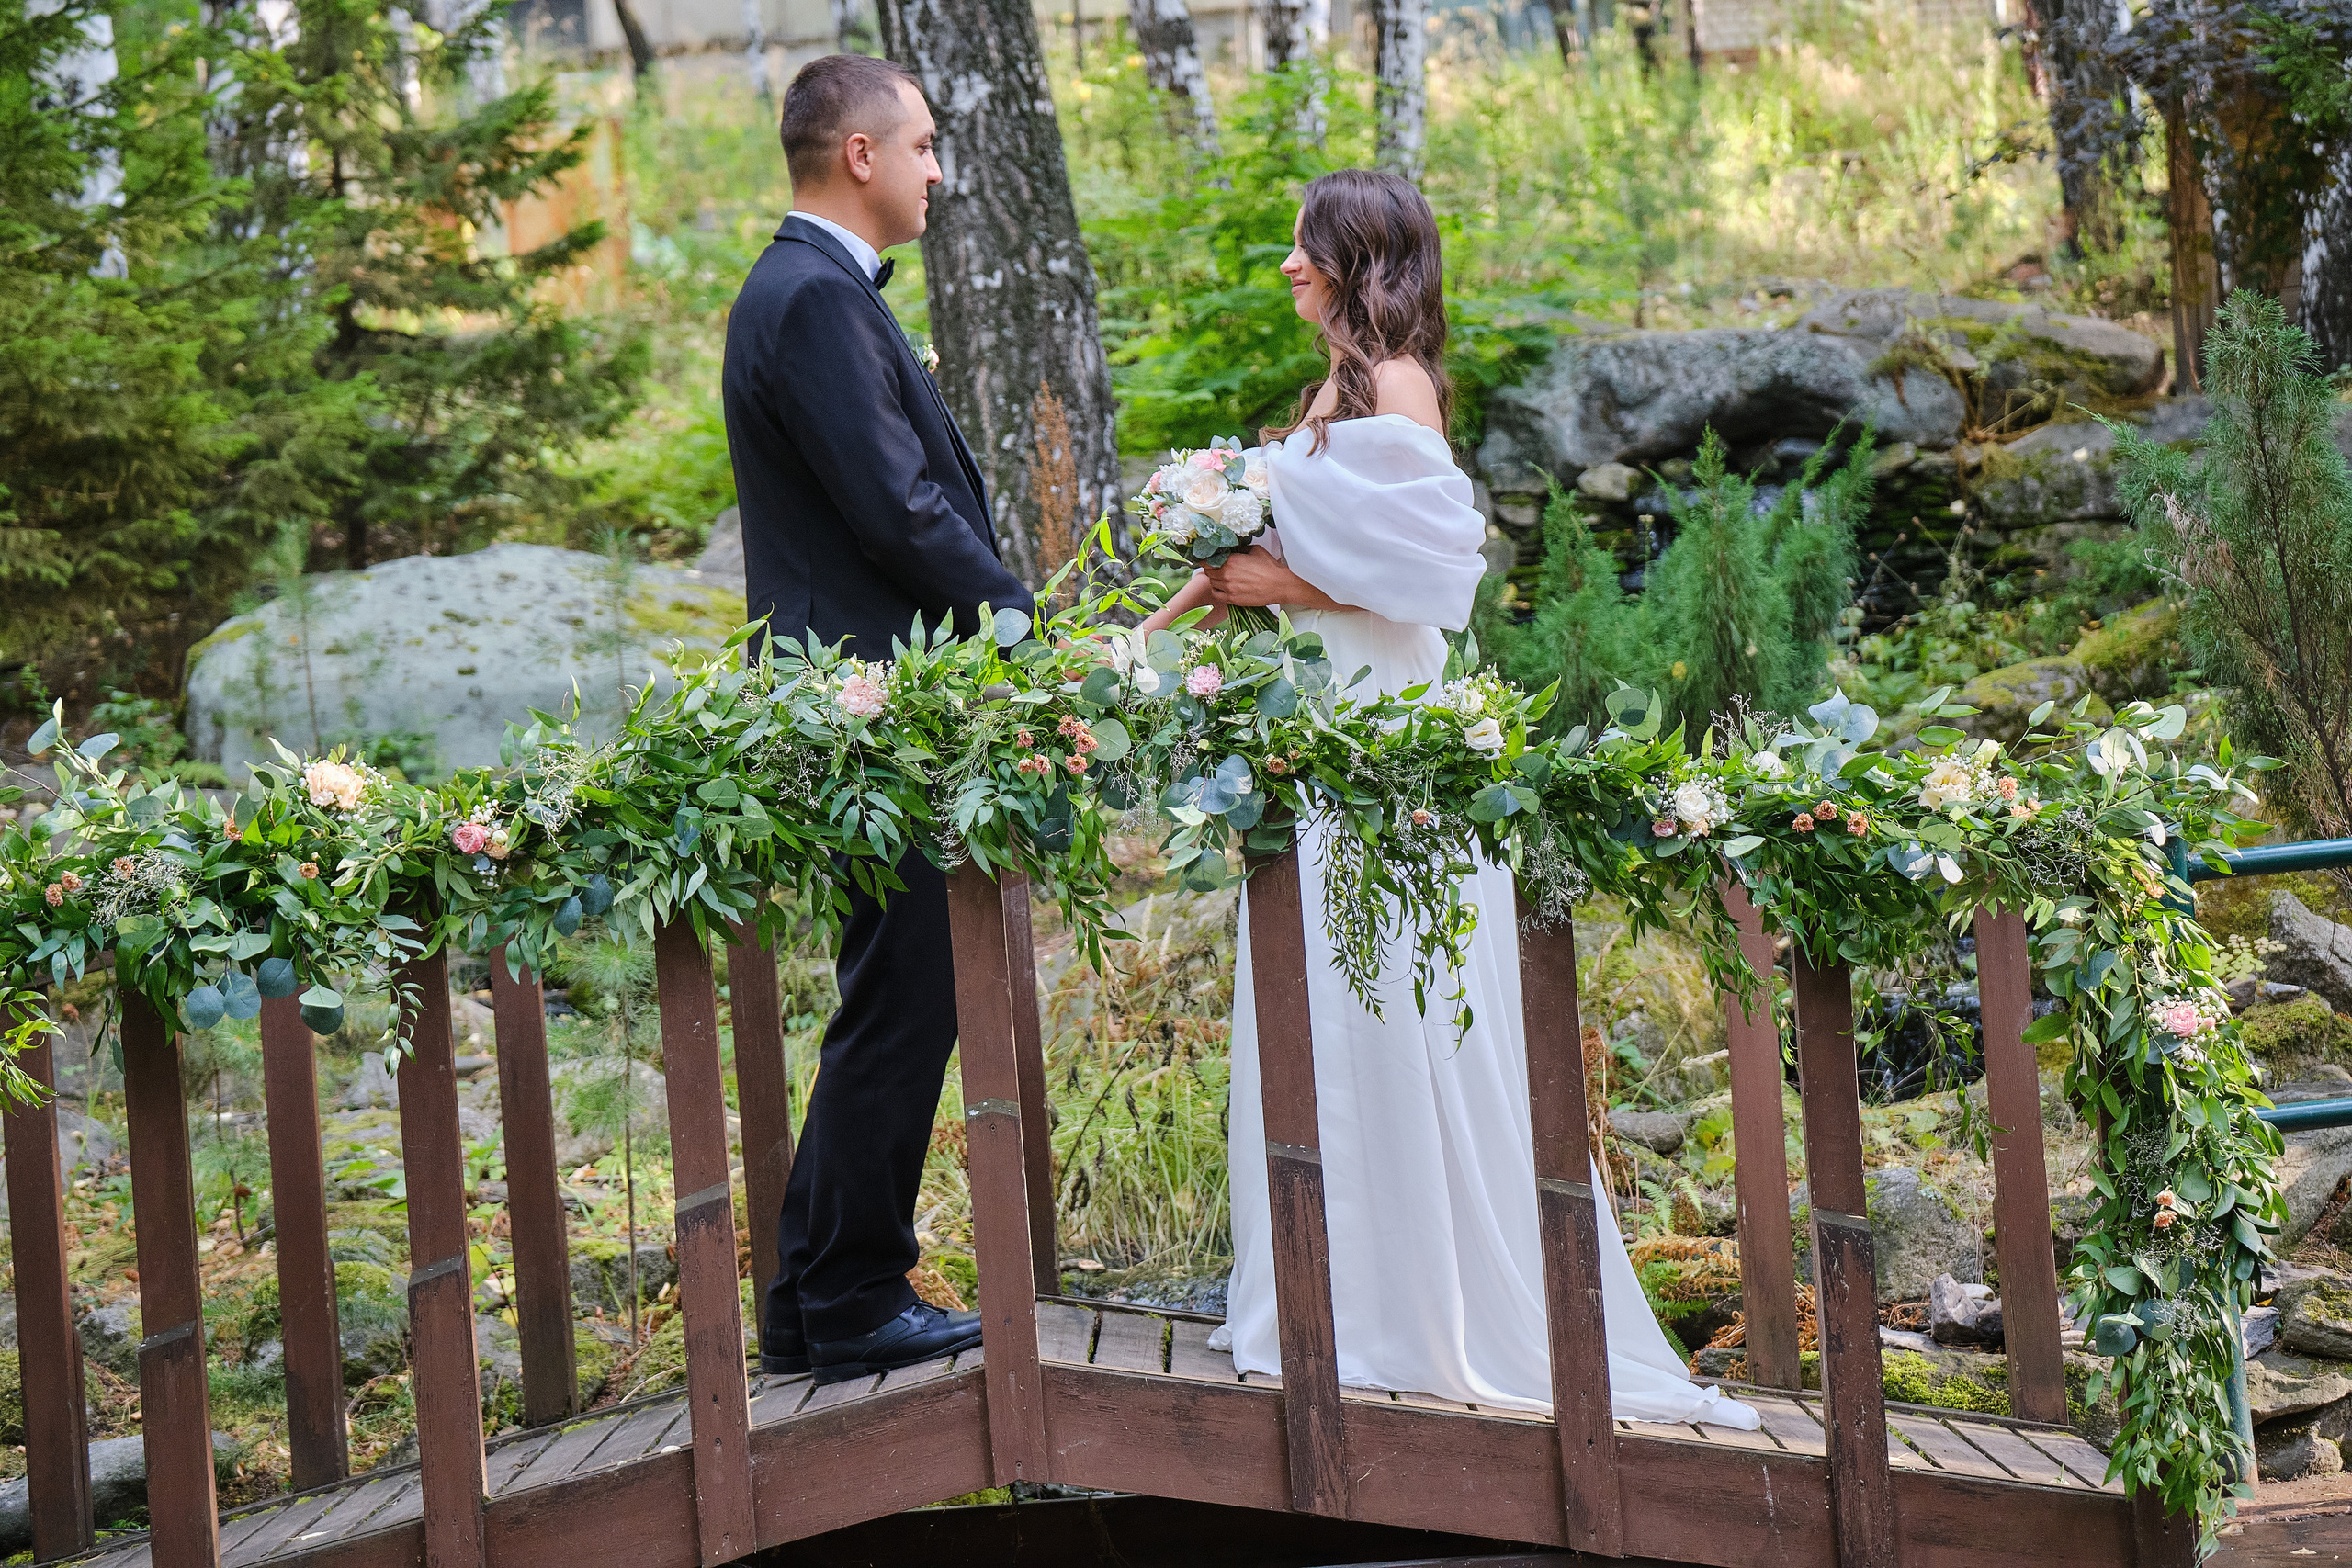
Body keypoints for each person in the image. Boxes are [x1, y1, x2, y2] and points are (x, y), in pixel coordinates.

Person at [1141, 169, 1758, 1429]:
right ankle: (1327, 1293)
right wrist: (1139, 642)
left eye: (1306, 247)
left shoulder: (1397, 385)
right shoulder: (1333, 392)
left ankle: (1409, 1311)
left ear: (1360, 258)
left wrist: (1281, 587)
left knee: (1383, 997)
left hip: (1384, 732)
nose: (1289, 266)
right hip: (1323, 724)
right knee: (1320, 1001)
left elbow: (1433, 572)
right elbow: (1261, 560)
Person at [722, 53, 1032, 1385]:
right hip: (866, 702)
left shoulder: (811, 290)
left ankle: (813, 1298)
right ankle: (850, 1297)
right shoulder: (810, 299)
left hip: (870, 696)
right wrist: (1020, 624)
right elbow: (897, 509)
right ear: (861, 155)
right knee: (906, 996)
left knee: (893, 991)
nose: (938, 171)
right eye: (924, 146)